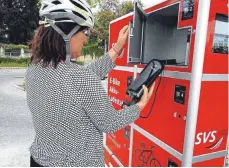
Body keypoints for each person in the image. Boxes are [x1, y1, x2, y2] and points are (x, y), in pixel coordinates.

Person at [26, 0, 155, 167]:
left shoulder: (34, 70)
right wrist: (140, 105)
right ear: (67, 33)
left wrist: (116, 50)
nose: (85, 40)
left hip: (39, 161)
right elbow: (110, 123)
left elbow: (77, 80)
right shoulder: (80, 78)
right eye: (84, 33)